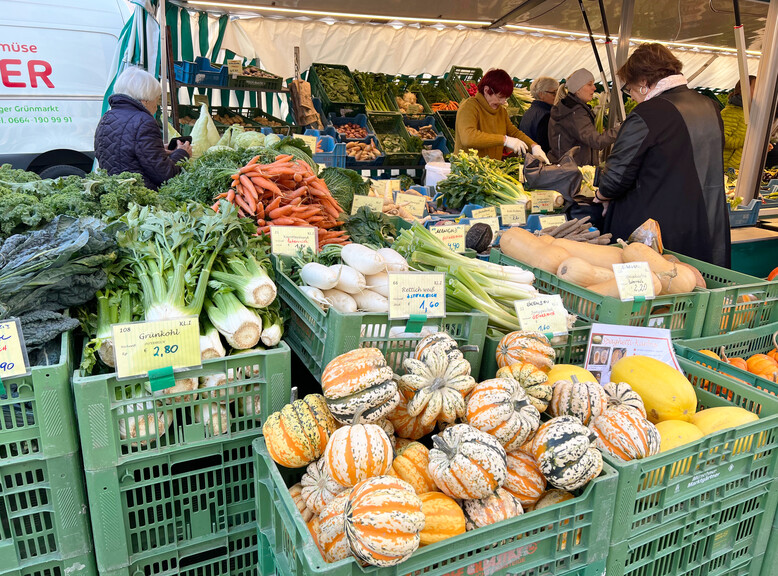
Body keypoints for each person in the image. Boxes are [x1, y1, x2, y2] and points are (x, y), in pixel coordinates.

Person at [594, 43, 731, 267]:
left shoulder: (649, 113)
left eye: (629, 88)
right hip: (703, 225)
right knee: (695, 285)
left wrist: (602, 194)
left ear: (643, 83)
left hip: (656, 232)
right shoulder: (709, 106)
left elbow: (618, 174)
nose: (631, 96)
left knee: (660, 290)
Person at [95, 67, 191, 190]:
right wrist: (182, 153)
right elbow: (165, 175)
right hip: (140, 196)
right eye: (156, 102)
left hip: (115, 191)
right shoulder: (143, 121)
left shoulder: (107, 117)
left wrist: (159, 149)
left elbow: (125, 154)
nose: (156, 108)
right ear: (145, 101)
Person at [454, 68, 550, 163]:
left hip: (490, 168)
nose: (503, 102)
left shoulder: (501, 112)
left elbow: (513, 132)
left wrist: (534, 146)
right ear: (486, 90)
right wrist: (505, 140)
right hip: (467, 169)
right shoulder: (469, 107)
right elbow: (468, 138)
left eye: (505, 98)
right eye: (500, 97)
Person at [548, 68, 620, 166]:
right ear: (578, 89)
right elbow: (596, 141)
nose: (594, 88)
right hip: (573, 171)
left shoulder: (568, 108)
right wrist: (623, 128)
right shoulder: (575, 112)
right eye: (589, 84)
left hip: (567, 168)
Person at [721, 75, 756, 171]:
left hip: (741, 168)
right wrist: (748, 140)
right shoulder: (730, 112)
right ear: (743, 90)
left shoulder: (751, 114)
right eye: (755, 88)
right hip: (727, 170)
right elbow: (722, 139)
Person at [519, 76, 559, 152]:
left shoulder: (529, 112)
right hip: (540, 159)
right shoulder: (546, 115)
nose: (556, 96)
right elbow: (547, 145)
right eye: (553, 93)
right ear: (541, 94)